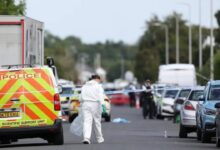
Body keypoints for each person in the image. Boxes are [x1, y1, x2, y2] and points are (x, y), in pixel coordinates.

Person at [79, 75, 104, 144]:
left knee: (87, 122)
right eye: (99, 80)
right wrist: (103, 106)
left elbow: (80, 98)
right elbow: (101, 96)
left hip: (85, 104)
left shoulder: (84, 86)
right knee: (97, 122)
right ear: (97, 79)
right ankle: (99, 138)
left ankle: (86, 138)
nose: (99, 81)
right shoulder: (98, 86)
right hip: (95, 104)